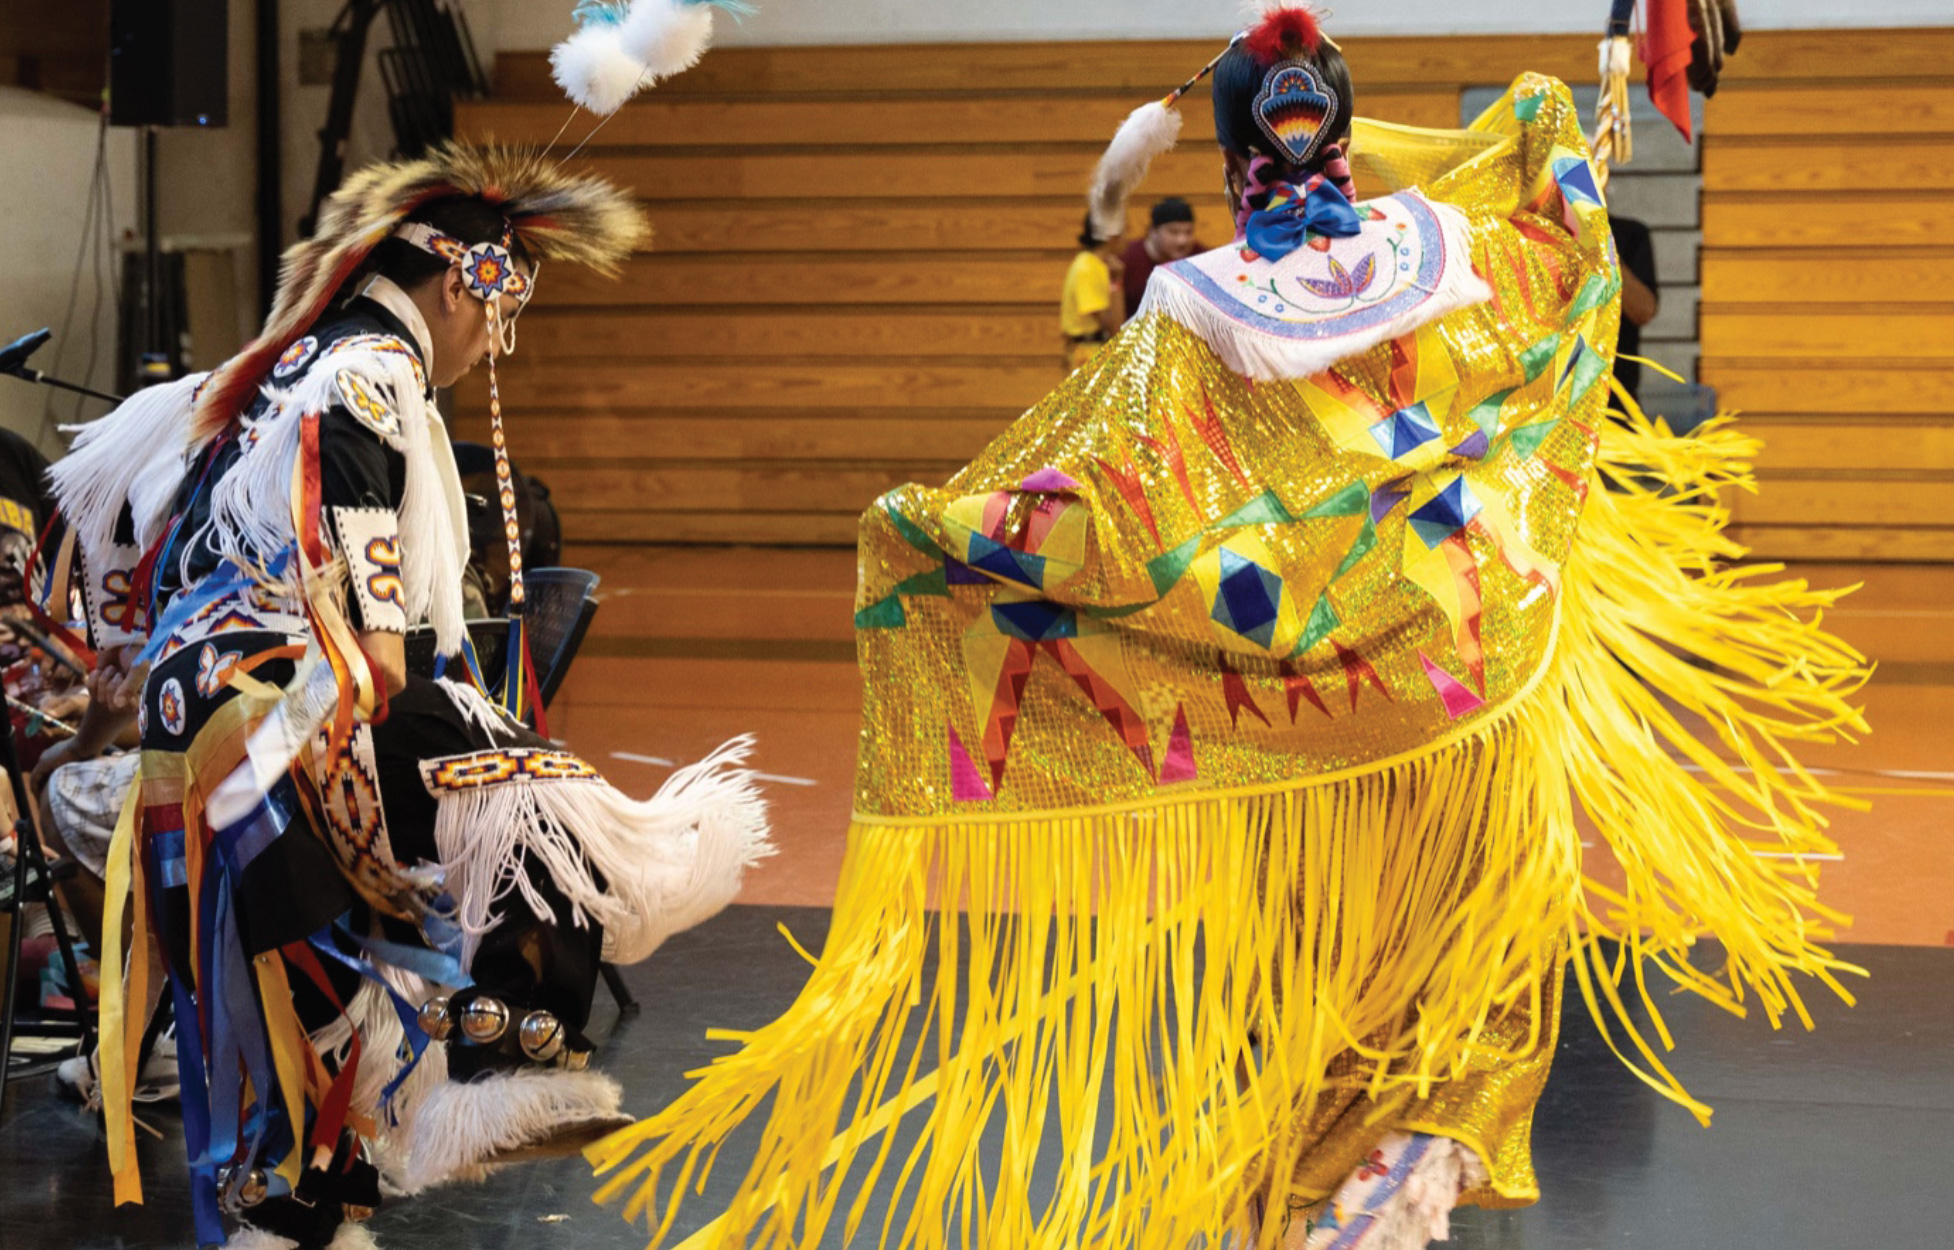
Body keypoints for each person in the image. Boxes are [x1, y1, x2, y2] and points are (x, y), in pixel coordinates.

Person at [588, 5, 1866, 1248]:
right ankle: (1396, 1172)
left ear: (1229, 147)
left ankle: (1314, 1192)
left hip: (1310, 720)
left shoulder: (1194, 308)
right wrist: (1582, 112)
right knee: (1468, 958)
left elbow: (1090, 499)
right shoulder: (1446, 242)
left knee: (1303, 978)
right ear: (1344, 126)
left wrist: (936, 526)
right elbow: (1560, 244)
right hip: (1463, 691)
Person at [47, 145, 772, 1250]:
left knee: (315, 999)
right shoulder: (369, 375)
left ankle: (301, 1215)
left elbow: (115, 545)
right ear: (458, 280)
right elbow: (380, 645)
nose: (500, 342)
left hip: (192, 733)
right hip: (286, 701)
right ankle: (500, 1066)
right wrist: (403, 711)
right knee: (540, 804)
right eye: (503, 310)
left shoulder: (260, 374)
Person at [1060, 212, 1126, 369]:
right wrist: (1116, 282)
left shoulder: (1098, 265)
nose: (1127, 238)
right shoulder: (1088, 268)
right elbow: (1113, 327)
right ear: (1111, 235)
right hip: (1087, 356)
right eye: (1124, 231)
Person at [1118, 196, 1203, 318]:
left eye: (1188, 232)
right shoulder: (1127, 260)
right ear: (1153, 232)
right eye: (1173, 232)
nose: (1182, 241)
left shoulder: (1200, 259)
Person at [1608, 213, 1660, 401]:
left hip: (1616, 403)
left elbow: (1644, 311)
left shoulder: (1630, 234)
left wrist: (1599, 242)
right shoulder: (1534, 232)